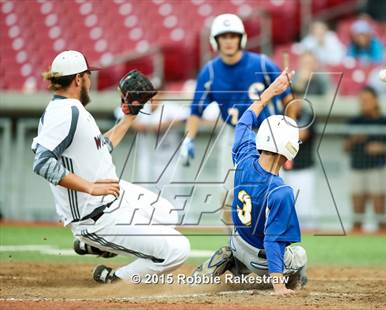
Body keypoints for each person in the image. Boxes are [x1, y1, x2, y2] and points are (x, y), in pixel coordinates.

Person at [32, 50, 190, 284]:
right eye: (87, 75)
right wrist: (89, 187)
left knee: (167, 214)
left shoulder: (72, 110)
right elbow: (43, 162)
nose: (90, 80)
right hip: (94, 216)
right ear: (78, 79)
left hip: (114, 196)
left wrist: (129, 116)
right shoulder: (64, 113)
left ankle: (94, 246)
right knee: (179, 250)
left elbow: (100, 147)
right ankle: (115, 278)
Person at [192, 69, 308, 295]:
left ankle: (235, 264)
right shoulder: (280, 190)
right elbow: (274, 241)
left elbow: (244, 122)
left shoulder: (244, 159)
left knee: (246, 238)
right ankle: (268, 278)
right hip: (261, 259)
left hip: (236, 241)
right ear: (290, 149)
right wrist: (278, 286)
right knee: (300, 256)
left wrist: (271, 91)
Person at [180, 13, 293, 230]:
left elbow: (288, 97)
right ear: (216, 41)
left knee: (275, 193)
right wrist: (188, 138)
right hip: (233, 135)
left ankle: (275, 245)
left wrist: (290, 126)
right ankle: (233, 245)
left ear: (241, 38)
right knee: (230, 193)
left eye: (233, 36)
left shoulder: (261, 63)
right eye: (224, 36)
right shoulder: (210, 72)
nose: (229, 41)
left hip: (268, 133)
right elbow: (196, 110)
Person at [344, 86, 386, 233]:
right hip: (357, 169)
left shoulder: (385, 121)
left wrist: (381, 148)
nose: (364, 103)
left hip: (377, 170)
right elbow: (345, 148)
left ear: (375, 101)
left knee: (380, 214)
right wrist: (355, 139)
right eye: (361, 100)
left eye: (367, 100)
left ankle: (385, 244)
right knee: (357, 216)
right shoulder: (354, 121)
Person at [282, 99, 318, 230]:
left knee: (303, 208)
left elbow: (300, 136)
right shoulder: (279, 116)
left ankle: (307, 234)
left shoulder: (307, 116)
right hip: (282, 170)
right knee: (282, 207)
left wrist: (284, 134)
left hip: (303, 169)